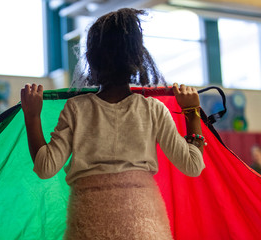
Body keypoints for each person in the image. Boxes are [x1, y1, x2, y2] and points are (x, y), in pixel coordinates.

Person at [21, 8, 205, 239]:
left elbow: (45, 167)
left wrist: (32, 116)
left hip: (89, 229)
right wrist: (191, 112)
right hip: (145, 230)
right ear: (138, 58)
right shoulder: (153, 110)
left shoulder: (77, 109)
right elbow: (192, 165)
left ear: (90, 59)